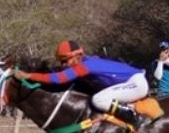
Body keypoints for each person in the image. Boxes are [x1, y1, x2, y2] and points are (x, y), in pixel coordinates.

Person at [14, 40, 151, 127]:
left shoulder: (86, 66)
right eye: (61, 61)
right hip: (132, 82)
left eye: (65, 60)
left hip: (136, 83)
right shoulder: (86, 62)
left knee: (98, 99)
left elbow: (59, 79)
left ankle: (137, 117)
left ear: (76, 56)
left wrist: (29, 75)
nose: (64, 64)